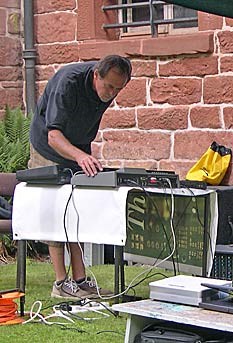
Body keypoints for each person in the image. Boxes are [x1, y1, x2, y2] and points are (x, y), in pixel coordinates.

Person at [29, 55, 132, 299]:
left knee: (75, 213)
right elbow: (53, 135)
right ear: (96, 75)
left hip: (76, 148)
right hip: (48, 147)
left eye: (119, 89)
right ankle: (60, 284)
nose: (112, 93)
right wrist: (80, 157)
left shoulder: (108, 88)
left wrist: (83, 154)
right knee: (56, 213)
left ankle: (80, 280)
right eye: (109, 86)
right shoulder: (68, 83)